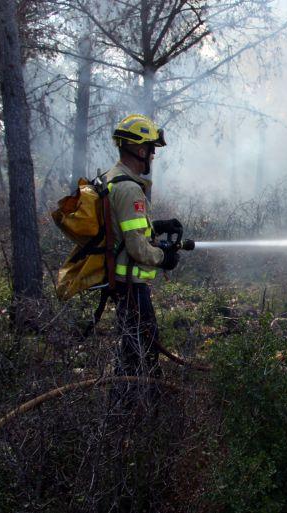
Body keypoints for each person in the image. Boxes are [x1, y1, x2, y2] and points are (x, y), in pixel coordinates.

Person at [104, 114, 182, 377]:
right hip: (131, 288)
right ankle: (135, 407)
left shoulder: (114, 178)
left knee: (132, 350)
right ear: (140, 149)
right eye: (151, 150)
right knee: (142, 351)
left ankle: (129, 404)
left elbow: (124, 228)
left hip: (125, 285)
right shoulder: (129, 189)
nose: (152, 156)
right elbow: (137, 248)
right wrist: (164, 257)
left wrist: (157, 226)